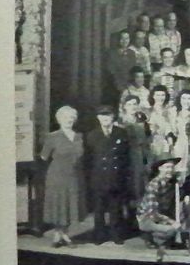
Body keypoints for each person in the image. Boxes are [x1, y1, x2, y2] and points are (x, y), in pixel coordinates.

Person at [40, 105, 86, 247]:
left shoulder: (79, 136)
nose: (69, 120)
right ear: (59, 119)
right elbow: (43, 157)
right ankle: (61, 236)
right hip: (57, 175)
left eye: (72, 117)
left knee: (69, 204)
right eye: (65, 117)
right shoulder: (52, 137)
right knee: (58, 204)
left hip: (74, 175)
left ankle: (61, 234)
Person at [84, 105, 130, 245]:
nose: (105, 118)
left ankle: (116, 234)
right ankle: (99, 235)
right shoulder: (92, 135)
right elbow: (88, 159)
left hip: (116, 176)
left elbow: (125, 157)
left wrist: (125, 175)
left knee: (115, 207)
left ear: (113, 117)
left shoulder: (121, 133)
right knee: (99, 209)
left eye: (108, 115)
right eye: (102, 115)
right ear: (98, 118)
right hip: (99, 177)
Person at [136, 156, 190, 247]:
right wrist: (172, 222)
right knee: (172, 230)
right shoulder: (154, 185)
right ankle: (150, 236)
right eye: (167, 167)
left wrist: (186, 196)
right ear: (160, 168)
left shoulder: (172, 183)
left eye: (172, 167)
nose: (170, 170)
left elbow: (179, 197)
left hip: (162, 216)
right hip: (147, 218)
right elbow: (153, 212)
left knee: (181, 231)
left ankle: (161, 238)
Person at [118, 95, 151, 205]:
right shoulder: (120, 122)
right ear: (124, 107)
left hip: (139, 154)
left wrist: (147, 160)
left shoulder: (142, 121)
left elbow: (147, 141)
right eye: (129, 104)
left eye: (134, 104)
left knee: (139, 180)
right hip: (125, 154)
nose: (132, 106)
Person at [107, 31, 139, 102]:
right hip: (116, 86)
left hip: (130, 85)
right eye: (122, 39)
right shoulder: (112, 53)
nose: (125, 41)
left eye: (127, 38)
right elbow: (112, 72)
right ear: (118, 40)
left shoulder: (132, 53)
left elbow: (133, 70)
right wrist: (120, 87)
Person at [148, 86, 177, 159]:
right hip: (151, 144)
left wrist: (171, 145)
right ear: (153, 96)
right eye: (157, 95)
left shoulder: (168, 112)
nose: (160, 98)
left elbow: (169, 130)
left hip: (164, 144)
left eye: (162, 95)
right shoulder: (148, 111)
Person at [172, 90, 190, 173]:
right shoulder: (175, 115)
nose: (186, 101)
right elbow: (174, 132)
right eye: (184, 98)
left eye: (189, 99)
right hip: (179, 146)